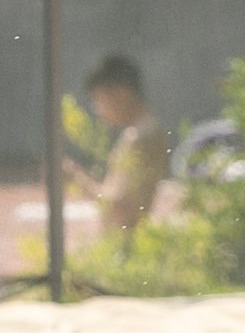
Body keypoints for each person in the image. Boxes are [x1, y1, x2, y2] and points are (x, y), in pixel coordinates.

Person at [63, 51, 170, 248]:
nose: (98, 110)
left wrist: (76, 178)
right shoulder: (147, 132)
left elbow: (120, 206)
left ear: (120, 92)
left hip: (123, 246)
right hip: (125, 243)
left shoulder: (140, 137)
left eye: (99, 100)